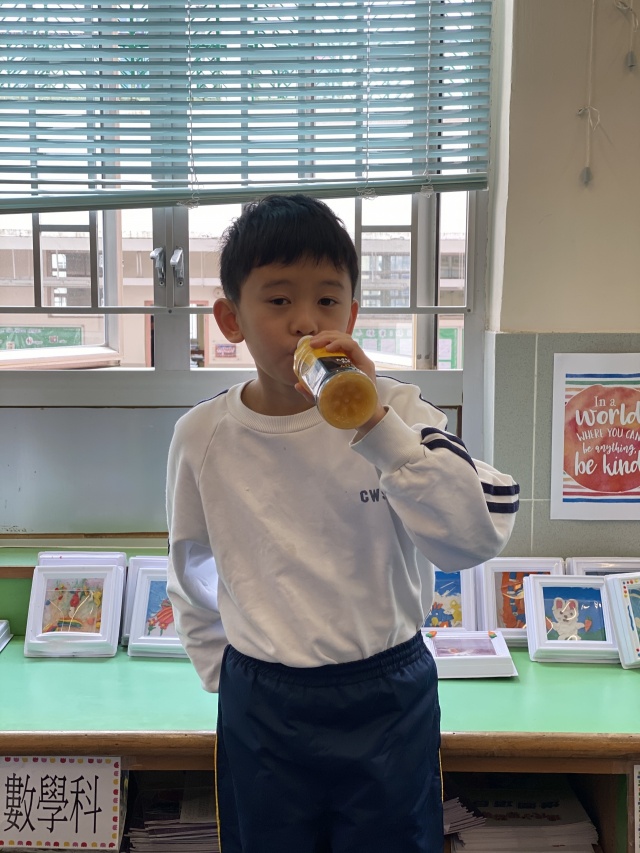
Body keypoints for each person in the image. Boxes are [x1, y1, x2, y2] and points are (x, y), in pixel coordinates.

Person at [166, 194, 519, 853]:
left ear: (352, 314)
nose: (306, 321)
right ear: (231, 319)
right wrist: (228, 676)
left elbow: (474, 537)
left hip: (387, 691)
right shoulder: (202, 435)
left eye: (327, 300)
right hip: (262, 700)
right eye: (279, 300)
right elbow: (191, 567)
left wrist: (376, 424)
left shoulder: (400, 411)